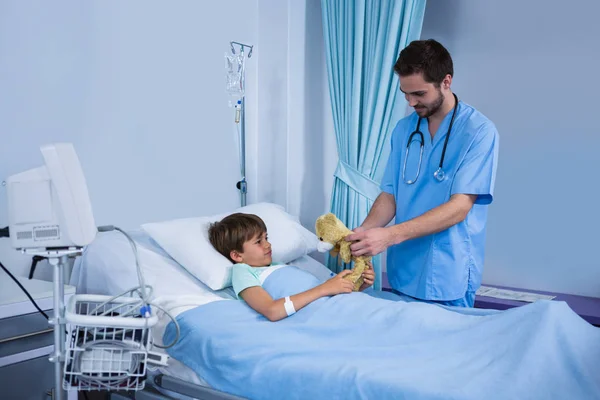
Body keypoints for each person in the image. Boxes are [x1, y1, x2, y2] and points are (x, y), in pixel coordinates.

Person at [346, 39, 499, 308]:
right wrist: (363, 234)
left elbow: (459, 207)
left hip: (448, 272)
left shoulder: (479, 132)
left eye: (419, 94)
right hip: (403, 271)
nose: (411, 102)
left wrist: (389, 236)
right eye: (406, 94)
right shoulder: (404, 130)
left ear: (446, 81)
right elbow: (390, 195)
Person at [208, 213, 376, 321]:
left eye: (266, 238)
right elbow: (272, 311)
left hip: (337, 307)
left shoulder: (278, 266)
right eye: (259, 241)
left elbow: (326, 297)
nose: (268, 245)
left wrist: (360, 285)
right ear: (237, 256)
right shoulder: (242, 271)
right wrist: (325, 288)